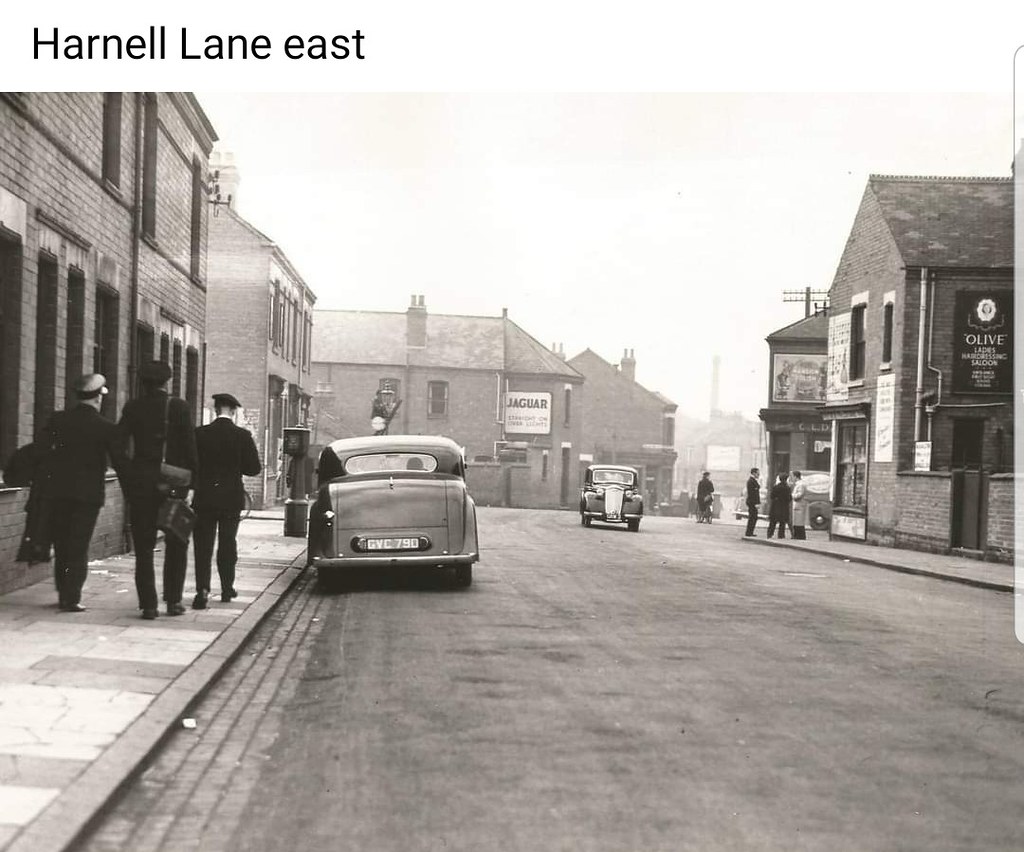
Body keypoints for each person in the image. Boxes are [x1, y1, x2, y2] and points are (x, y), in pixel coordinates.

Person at [34, 374, 128, 612]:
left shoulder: (58, 420)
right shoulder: (106, 427)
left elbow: (42, 451)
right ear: (98, 398)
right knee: (78, 544)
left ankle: (63, 591)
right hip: (87, 496)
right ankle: (71, 597)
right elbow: (119, 461)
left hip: (57, 493)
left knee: (62, 542)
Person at [118, 361, 199, 619]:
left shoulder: (133, 408)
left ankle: (149, 605)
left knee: (143, 548)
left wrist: (129, 479)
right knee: (177, 542)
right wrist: (192, 484)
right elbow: (190, 449)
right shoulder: (179, 407)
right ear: (167, 382)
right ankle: (174, 601)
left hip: (141, 486)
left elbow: (118, 448)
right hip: (174, 485)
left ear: (142, 382)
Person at [191, 393, 262, 608]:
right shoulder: (242, 435)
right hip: (231, 498)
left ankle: (202, 590)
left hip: (204, 498)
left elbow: (192, 464)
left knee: (203, 545)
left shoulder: (200, 434)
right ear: (233, 411)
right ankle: (226, 588)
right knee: (227, 543)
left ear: (215, 410)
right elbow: (254, 469)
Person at [767, 473, 792, 539]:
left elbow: (772, 496)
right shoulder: (787, 488)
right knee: (782, 522)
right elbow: (789, 498)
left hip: (775, 506)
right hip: (784, 507)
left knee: (773, 522)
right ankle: (781, 535)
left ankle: (769, 534)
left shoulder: (776, 487)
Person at [790, 470, 807, 540]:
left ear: (795, 476)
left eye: (792, 476)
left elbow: (799, 495)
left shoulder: (801, 484)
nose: (791, 478)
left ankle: (800, 536)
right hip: (797, 505)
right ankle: (796, 535)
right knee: (796, 521)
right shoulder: (798, 484)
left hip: (799, 505)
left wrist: (791, 495)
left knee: (799, 522)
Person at [744, 467, 761, 537]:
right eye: (757, 473)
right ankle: (749, 532)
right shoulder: (751, 481)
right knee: (752, 517)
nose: (759, 475)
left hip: (752, 502)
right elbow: (753, 494)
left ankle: (750, 532)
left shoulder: (753, 480)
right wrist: (756, 503)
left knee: (753, 517)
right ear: (754, 473)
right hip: (752, 502)